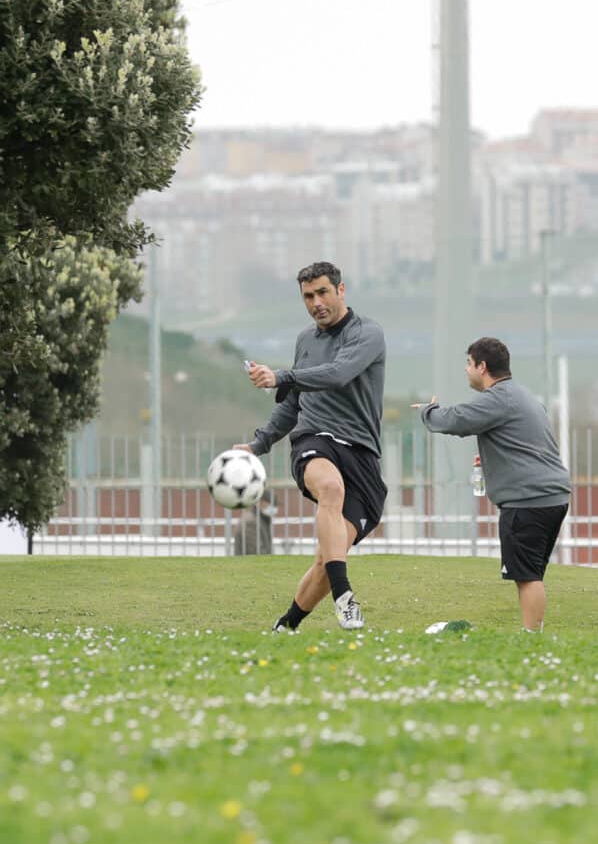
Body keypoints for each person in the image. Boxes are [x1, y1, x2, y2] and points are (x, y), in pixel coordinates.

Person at [238, 261, 388, 632]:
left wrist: (281, 376)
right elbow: (293, 403)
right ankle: (345, 596)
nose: (316, 302)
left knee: (327, 560)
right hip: (315, 439)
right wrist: (258, 444)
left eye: (322, 292)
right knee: (330, 488)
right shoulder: (305, 340)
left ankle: (286, 626)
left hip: (361, 453)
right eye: (308, 296)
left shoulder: (368, 333)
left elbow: (338, 373)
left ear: (341, 290)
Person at [418, 338, 572, 631]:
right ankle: (533, 636)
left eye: (468, 363)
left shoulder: (498, 398)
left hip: (528, 501)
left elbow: (456, 420)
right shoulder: (524, 396)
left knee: (527, 576)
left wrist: (428, 411)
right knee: (532, 573)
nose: (466, 370)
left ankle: (531, 640)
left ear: (482, 366)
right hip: (553, 496)